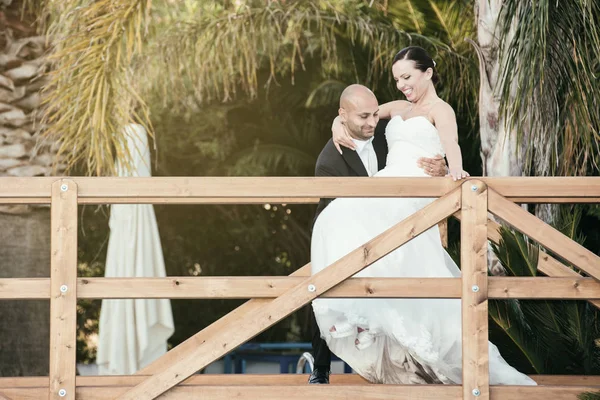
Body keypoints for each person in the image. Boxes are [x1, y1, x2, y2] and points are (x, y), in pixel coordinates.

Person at [310, 46, 536, 385]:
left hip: (415, 191)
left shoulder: (440, 110)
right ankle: (363, 315)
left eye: (407, 76)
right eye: (397, 79)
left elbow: (453, 146)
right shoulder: (399, 108)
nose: (401, 85)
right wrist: (335, 123)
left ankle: (381, 324)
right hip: (387, 184)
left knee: (380, 236)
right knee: (336, 217)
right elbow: (363, 113)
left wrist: (453, 173)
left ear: (428, 72)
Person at [308, 83, 448, 384]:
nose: (372, 122)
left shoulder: (388, 133)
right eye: (363, 117)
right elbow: (340, 213)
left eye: (374, 114)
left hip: (398, 229)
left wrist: (442, 166)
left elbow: (416, 154)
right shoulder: (329, 161)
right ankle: (321, 368)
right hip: (348, 236)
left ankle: (413, 362)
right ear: (342, 116)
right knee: (322, 284)